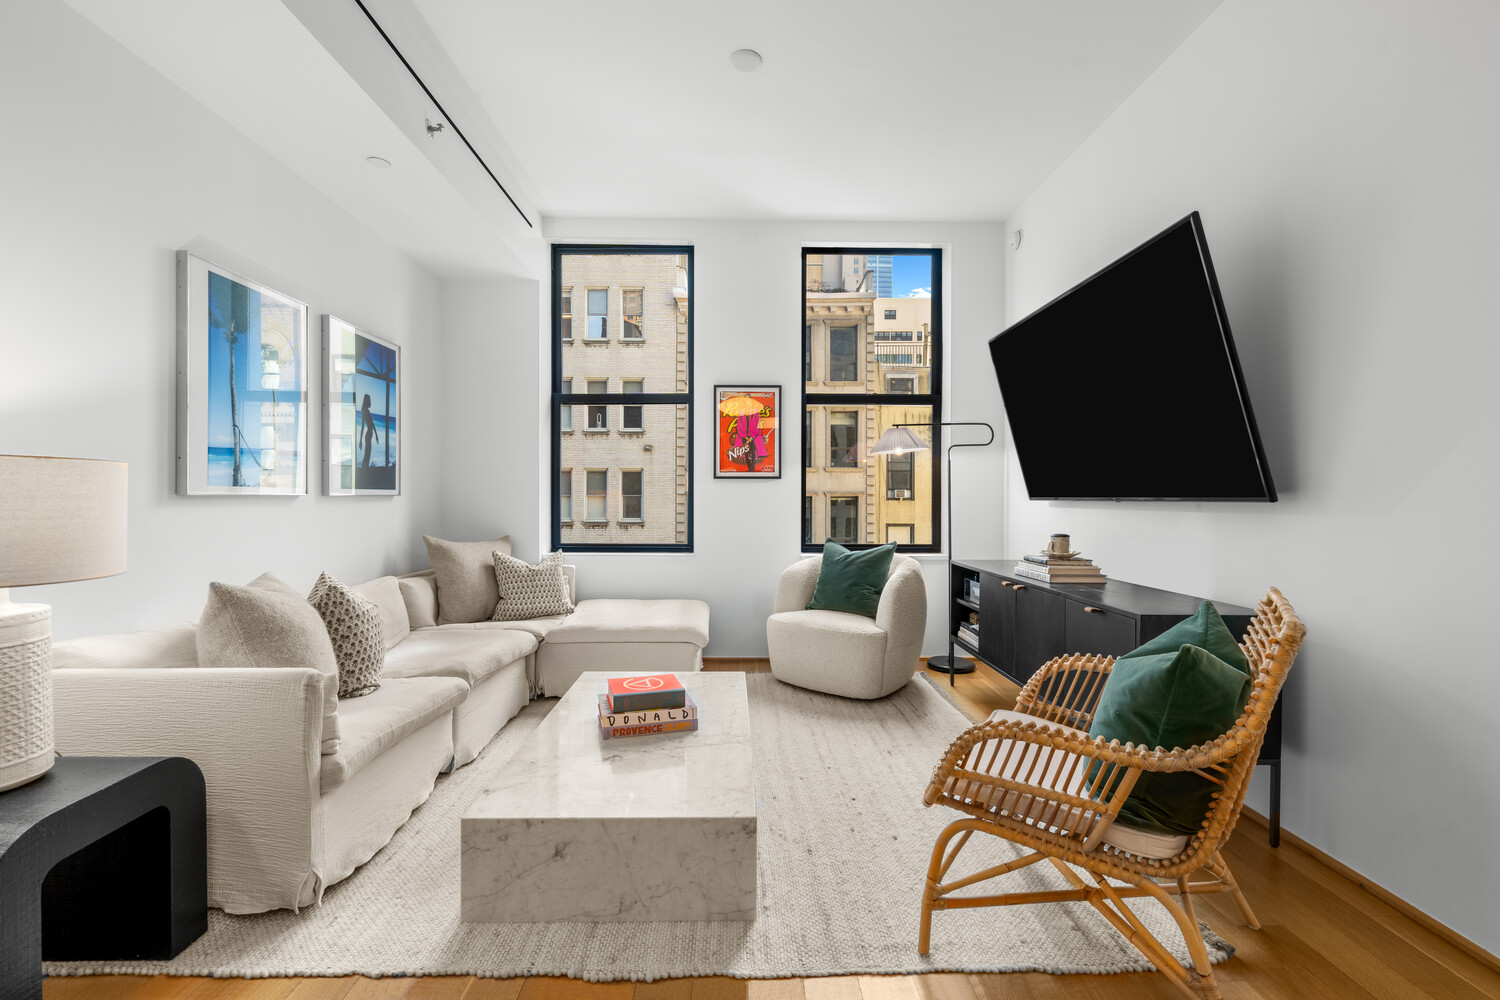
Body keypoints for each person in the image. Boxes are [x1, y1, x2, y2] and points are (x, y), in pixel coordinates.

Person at [359, 393, 379, 469]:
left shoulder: (367, 411)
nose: (371, 402)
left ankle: (365, 469)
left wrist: (376, 435)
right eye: (369, 401)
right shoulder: (365, 411)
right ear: (367, 401)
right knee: (367, 454)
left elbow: (372, 424)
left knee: (367, 454)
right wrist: (360, 440)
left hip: (369, 435)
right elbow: (363, 426)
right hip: (368, 435)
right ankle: (364, 470)